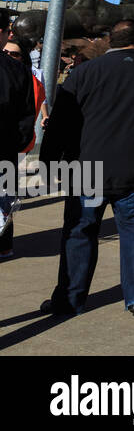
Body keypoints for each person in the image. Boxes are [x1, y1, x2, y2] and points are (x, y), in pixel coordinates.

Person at [39, 20, 134, 316]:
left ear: (110, 41)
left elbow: (61, 121)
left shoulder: (84, 72)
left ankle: (70, 298)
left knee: (80, 232)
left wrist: (50, 161)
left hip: (87, 170)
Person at [0, 20, 37, 262]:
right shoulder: (17, 71)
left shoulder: (17, 71)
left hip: (7, 148)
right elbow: (26, 115)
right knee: (4, 200)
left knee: (5, 200)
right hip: (6, 148)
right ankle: (3, 245)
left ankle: (4, 245)